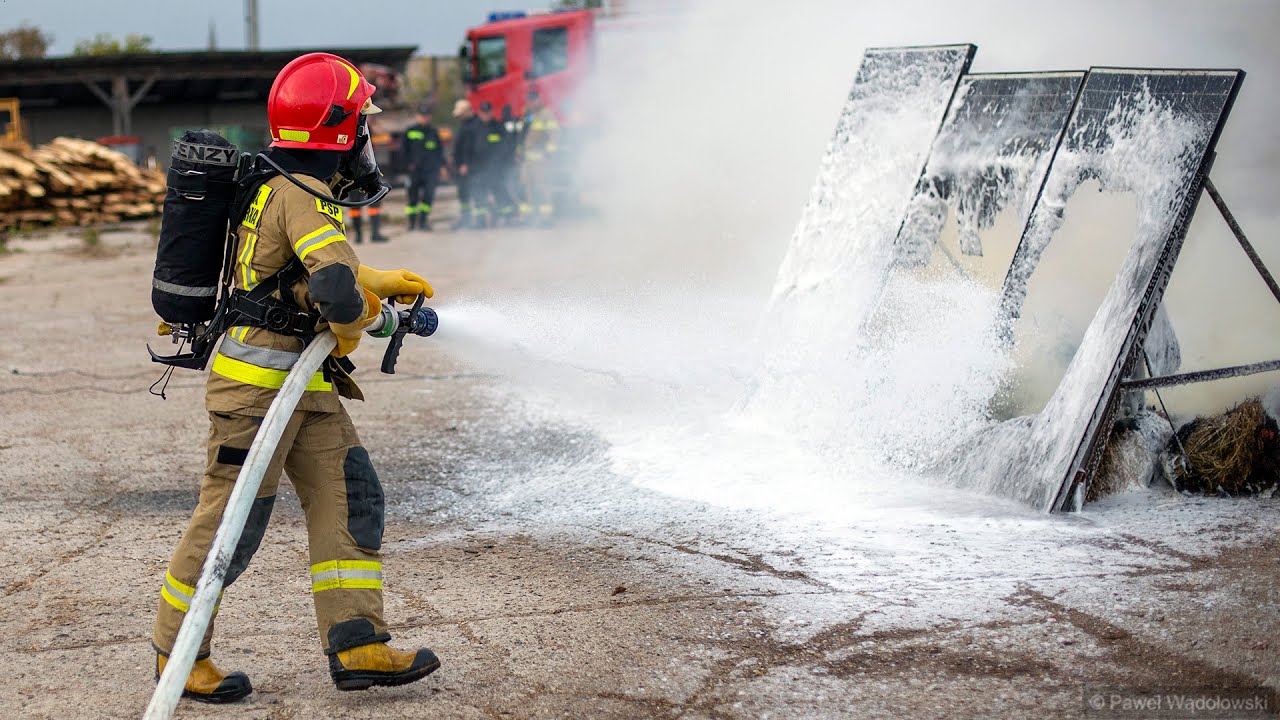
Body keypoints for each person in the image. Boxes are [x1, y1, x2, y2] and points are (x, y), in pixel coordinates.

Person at [150, 52, 440, 703]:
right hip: (257, 394)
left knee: (351, 495)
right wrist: (353, 315)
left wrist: (373, 283)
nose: (368, 135)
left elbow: (306, 277)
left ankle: (357, 640)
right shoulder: (308, 199)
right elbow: (332, 292)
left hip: (299, 389)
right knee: (230, 526)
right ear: (339, 131)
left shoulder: (284, 184)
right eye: (362, 121)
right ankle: (178, 652)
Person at [401, 103, 446, 231]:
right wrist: (407, 166)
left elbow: (439, 151)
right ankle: (411, 223)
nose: (425, 118)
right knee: (412, 198)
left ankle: (423, 222)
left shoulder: (433, 132)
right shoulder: (410, 131)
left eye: (427, 116)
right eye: (422, 115)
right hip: (414, 171)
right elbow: (403, 151)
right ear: (417, 116)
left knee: (428, 197)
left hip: (431, 171)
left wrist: (442, 167)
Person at [522, 90, 561, 226]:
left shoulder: (546, 114)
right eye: (530, 101)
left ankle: (547, 217)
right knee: (528, 187)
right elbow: (524, 134)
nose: (532, 103)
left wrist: (549, 152)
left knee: (544, 187)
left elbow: (554, 134)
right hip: (528, 159)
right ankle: (531, 218)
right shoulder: (529, 115)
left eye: (534, 100)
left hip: (541, 159)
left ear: (538, 100)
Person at [450, 99, 479, 229]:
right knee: (463, 194)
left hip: (469, 167)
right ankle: (465, 219)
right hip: (462, 166)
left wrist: (465, 164)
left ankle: (476, 221)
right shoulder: (465, 124)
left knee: (471, 192)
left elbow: (469, 148)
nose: (459, 117)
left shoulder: (473, 126)